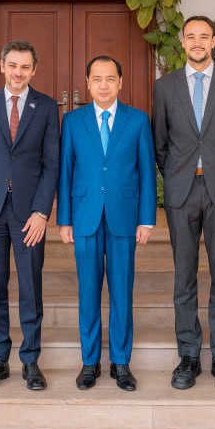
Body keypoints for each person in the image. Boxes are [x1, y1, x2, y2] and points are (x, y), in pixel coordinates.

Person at [152, 15, 215, 393]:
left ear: (213, 42)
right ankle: (189, 355)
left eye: (203, 36)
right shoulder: (165, 87)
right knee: (184, 278)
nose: (196, 42)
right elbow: (160, 142)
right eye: (190, 36)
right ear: (183, 42)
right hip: (182, 191)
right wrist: (177, 175)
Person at [57, 56, 157, 391]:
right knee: (88, 292)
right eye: (97, 79)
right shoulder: (72, 121)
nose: (103, 85)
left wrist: (146, 219)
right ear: (87, 83)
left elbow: (147, 172)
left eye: (110, 79)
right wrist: (64, 219)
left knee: (121, 293)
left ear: (120, 82)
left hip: (124, 217)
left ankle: (121, 362)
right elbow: (65, 171)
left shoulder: (138, 120)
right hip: (85, 216)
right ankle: (89, 362)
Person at [0, 40, 60, 391]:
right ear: (2, 66)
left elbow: (52, 164)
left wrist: (42, 212)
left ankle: (30, 360)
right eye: (13, 66)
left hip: (28, 213)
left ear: (34, 70)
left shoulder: (46, 107)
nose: (18, 73)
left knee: (30, 287)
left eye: (25, 67)